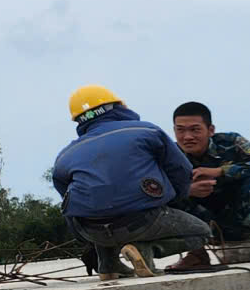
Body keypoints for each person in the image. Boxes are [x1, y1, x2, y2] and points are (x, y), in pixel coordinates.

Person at [51, 86, 211, 279]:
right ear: (118, 106)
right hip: (142, 221)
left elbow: (67, 202)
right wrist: (174, 201)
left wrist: (83, 236)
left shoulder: (65, 155)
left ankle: (108, 266)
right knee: (202, 233)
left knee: (98, 204)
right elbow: (182, 170)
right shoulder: (146, 130)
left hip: (91, 231)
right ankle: (145, 249)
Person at [169, 102, 250, 267]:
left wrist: (221, 171)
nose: (187, 137)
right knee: (169, 199)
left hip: (240, 219)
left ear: (210, 130)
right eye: (180, 130)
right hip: (203, 224)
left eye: (195, 130)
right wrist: (188, 191)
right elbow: (153, 191)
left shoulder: (231, 142)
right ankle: (197, 254)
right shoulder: (170, 155)